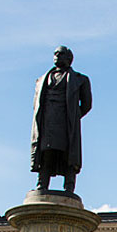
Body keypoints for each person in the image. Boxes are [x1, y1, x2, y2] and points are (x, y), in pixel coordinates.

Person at [31, 46, 92, 193]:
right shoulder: (41, 80)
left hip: (67, 122)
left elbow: (87, 104)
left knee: (68, 154)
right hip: (47, 122)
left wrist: (73, 115)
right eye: (55, 53)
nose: (57, 55)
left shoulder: (80, 80)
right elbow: (36, 104)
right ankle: (42, 184)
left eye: (61, 53)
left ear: (69, 59)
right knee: (46, 152)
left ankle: (69, 186)